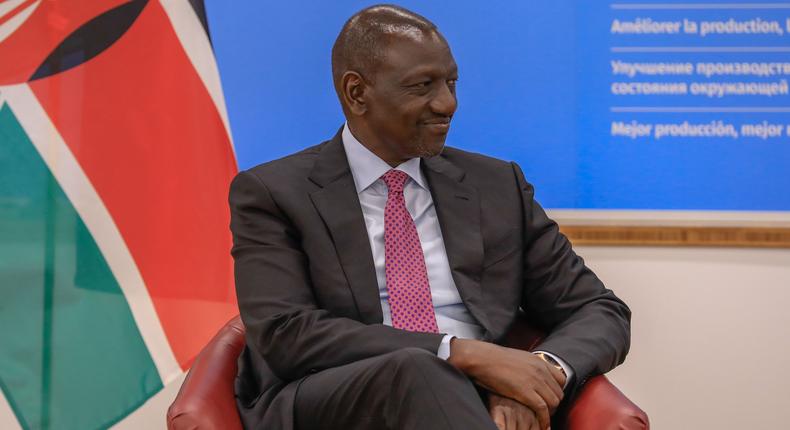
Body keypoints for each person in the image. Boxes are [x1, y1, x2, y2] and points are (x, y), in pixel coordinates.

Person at [229, 5, 630, 430]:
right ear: (356, 93)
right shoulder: (274, 193)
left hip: (471, 401)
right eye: (422, 86)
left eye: (451, 83)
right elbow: (285, 333)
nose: (447, 103)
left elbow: (597, 308)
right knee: (417, 370)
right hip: (334, 396)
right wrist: (459, 353)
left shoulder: (495, 185)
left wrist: (536, 374)